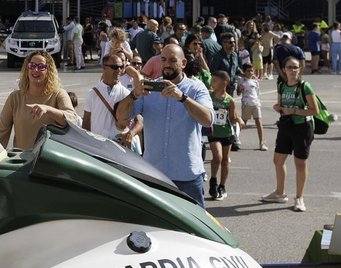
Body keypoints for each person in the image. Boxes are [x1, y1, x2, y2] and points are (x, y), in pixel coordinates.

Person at [115, 44, 214, 207]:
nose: (167, 64)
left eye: (172, 60)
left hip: (187, 176)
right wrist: (134, 95)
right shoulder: (148, 88)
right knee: (154, 229)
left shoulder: (196, 88)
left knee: (192, 230)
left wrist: (182, 97)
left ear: (183, 63)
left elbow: (208, 119)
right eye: (163, 59)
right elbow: (121, 117)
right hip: (154, 176)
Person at [260, 54, 319, 211]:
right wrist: (278, 108)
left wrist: (293, 110)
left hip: (302, 128)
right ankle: (280, 193)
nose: (293, 70)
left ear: (300, 68)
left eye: (295, 67)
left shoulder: (304, 86)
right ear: (284, 70)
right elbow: (280, 104)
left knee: (300, 163)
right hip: (286, 127)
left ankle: (299, 198)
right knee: (278, 160)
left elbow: (315, 111)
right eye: (289, 67)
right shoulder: (282, 85)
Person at [0, 50, 78, 150]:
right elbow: (0, 132)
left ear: (48, 71)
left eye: (41, 67)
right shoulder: (15, 97)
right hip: (22, 161)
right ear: (27, 68)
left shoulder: (58, 94)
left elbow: (73, 120)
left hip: (50, 161)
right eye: (32, 66)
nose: (36, 70)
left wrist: (48, 109)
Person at [83, 52, 133, 143]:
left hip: (117, 146)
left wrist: (131, 133)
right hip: (96, 146)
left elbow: (138, 121)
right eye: (114, 67)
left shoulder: (126, 94)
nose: (119, 70)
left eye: (121, 67)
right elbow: (86, 121)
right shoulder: (92, 94)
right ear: (104, 68)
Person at [206, 69, 238, 201]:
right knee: (217, 157)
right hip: (214, 132)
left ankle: (222, 185)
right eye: (212, 80)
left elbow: (233, 117)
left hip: (226, 132)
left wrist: (239, 120)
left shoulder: (230, 101)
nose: (212, 83)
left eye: (215, 81)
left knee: (225, 160)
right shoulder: (209, 95)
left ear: (224, 83)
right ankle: (213, 180)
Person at [236, 62, 266, 151]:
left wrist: (257, 101)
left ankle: (262, 143)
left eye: (252, 71)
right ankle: (235, 138)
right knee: (243, 123)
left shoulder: (256, 81)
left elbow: (257, 92)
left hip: (256, 103)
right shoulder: (241, 81)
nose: (250, 73)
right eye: (248, 71)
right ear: (244, 72)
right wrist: (240, 88)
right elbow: (238, 93)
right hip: (246, 104)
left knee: (259, 122)